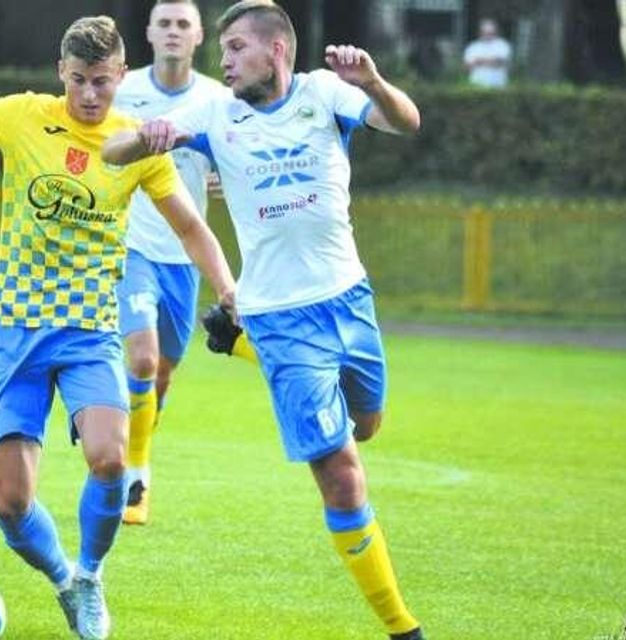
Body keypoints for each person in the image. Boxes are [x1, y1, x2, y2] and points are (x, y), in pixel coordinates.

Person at [0, 15, 236, 640]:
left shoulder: (133, 142)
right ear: (62, 72)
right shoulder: (22, 116)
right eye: (80, 80)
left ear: (120, 77)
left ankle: (90, 577)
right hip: (16, 330)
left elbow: (192, 227)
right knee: (10, 501)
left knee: (111, 460)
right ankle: (62, 578)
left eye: (103, 83)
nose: (90, 95)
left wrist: (229, 291)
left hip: (89, 332)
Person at [101, 1, 424, 638]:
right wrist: (150, 137)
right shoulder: (214, 111)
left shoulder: (325, 92)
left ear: (277, 50)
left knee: (368, 424)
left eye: (237, 48)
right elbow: (114, 151)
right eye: (220, 50)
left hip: (350, 301)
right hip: (279, 313)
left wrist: (374, 81)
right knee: (341, 473)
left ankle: (242, 348)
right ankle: (402, 626)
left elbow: (406, 121)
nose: (224, 61)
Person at [112, 0, 231, 526]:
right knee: (140, 358)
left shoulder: (219, 99)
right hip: (131, 245)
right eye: (165, 24)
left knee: (160, 374)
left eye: (184, 24)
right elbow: (96, 145)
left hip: (183, 256)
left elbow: (243, 160)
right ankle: (135, 477)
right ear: (150, 34)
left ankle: (120, 429)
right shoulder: (123, 89)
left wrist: (226, 178)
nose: (174, 32)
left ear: (199, 35)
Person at [463, 18, 512, 88]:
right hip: (476, 86)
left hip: (499, 86)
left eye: (490, 32)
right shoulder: (473, 47)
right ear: (480, 32)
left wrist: (479, 61)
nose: (488, 35)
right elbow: (467, 67)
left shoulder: (503, 45)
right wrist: (492, 60)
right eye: (485, 32)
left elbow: (500, 62)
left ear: (495, 32)